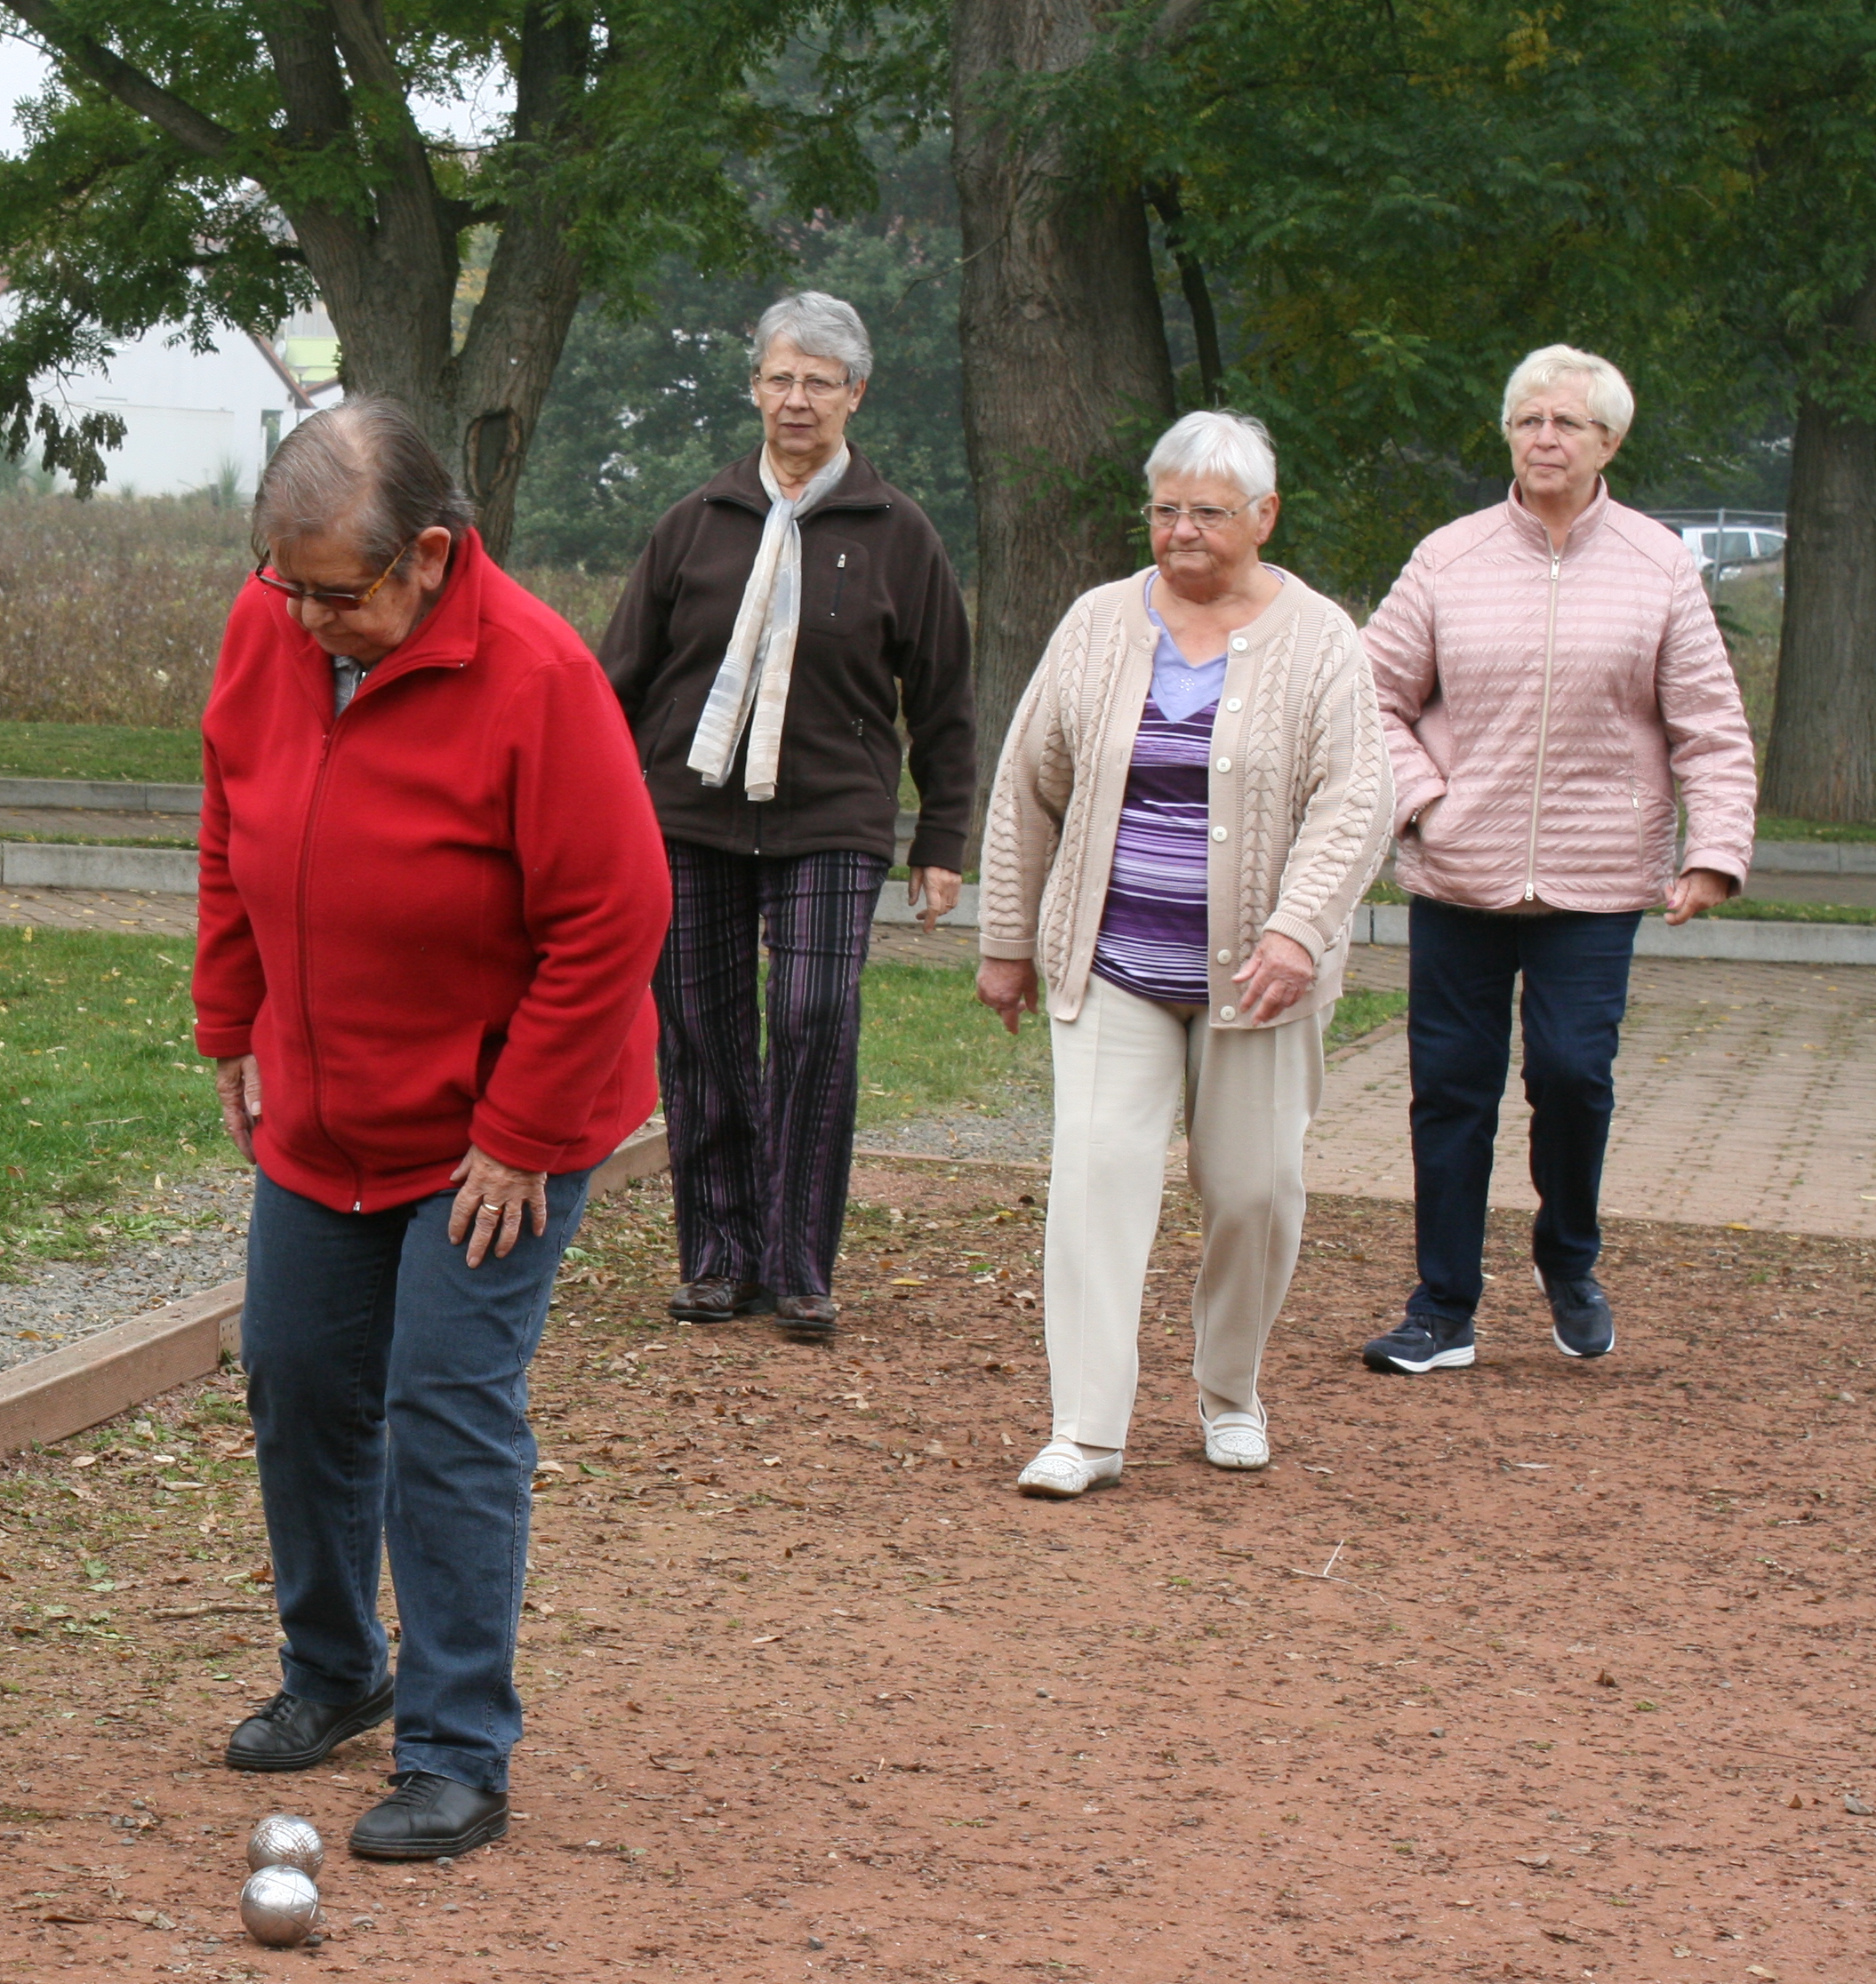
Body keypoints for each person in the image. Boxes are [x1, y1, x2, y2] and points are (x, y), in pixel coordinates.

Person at [195, 400, 669, 1861]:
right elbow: (229, 815)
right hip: (324, 1106)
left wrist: (518, 1130)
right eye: (289, 584)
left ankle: (457, 1749)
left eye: (339, 594)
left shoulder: (532, 674)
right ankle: (337, 1671)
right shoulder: (271, 625)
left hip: (494, 1125)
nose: (309, 618)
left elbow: (614, 915)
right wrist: (231, 1017)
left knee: (444, 1404)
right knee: (295, 1375)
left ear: (431, 557)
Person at [975, 412, 1391, 1499]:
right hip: (1113, 960)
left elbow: (1356, 800)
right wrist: (1008, 941)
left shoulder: (1321, 638)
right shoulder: (1098, 623)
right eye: (1165, 510)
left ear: (1264, 516)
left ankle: (1229, 1391)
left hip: (1260, 974)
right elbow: (1031, 783)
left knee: (1253, 1191)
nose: (1182, 532)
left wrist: (1299, 929)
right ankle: (1087, 1428)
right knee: (1097, 1175)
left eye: (1207, 512)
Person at [1355, 344, 1755, 1373]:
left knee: (1573, 1077)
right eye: (1528, 420)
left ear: (1608, 441)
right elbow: (1371, 698)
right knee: (1452, 1089)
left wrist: (1711, 853)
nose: (1544, 438)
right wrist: (1428, 803)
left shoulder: (1661, 563)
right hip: (1461, 875)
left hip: (1598, 878)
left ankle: (1567, 1258)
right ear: (1507, 435)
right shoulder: (1449, 556)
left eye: (1566, 423)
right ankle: (1443, 1306)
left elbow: (1709, 724)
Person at [598, 291, 976, 1343]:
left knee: (813, 1018)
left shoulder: (900, 535)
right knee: (704, 1033)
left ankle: (800, 1262)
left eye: (819, 381)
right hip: (687, 813)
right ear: (754, 389)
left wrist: (942, 838)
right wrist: (592, 810)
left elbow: (943, 698)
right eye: (780, 378)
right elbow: (612, 683)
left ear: (856, 393)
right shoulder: (694, 525)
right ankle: (721, 1258)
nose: (796, 399)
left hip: (833, 815)